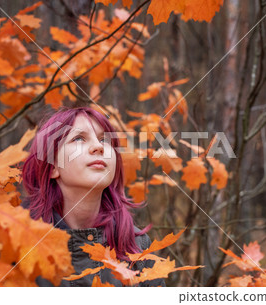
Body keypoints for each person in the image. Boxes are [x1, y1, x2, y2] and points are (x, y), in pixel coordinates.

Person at [21, 106, 165, 287]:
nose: (98, 146)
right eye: (79, 138)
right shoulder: (15, 243)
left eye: (105, 140)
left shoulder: (137, 246)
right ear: (52, 167)